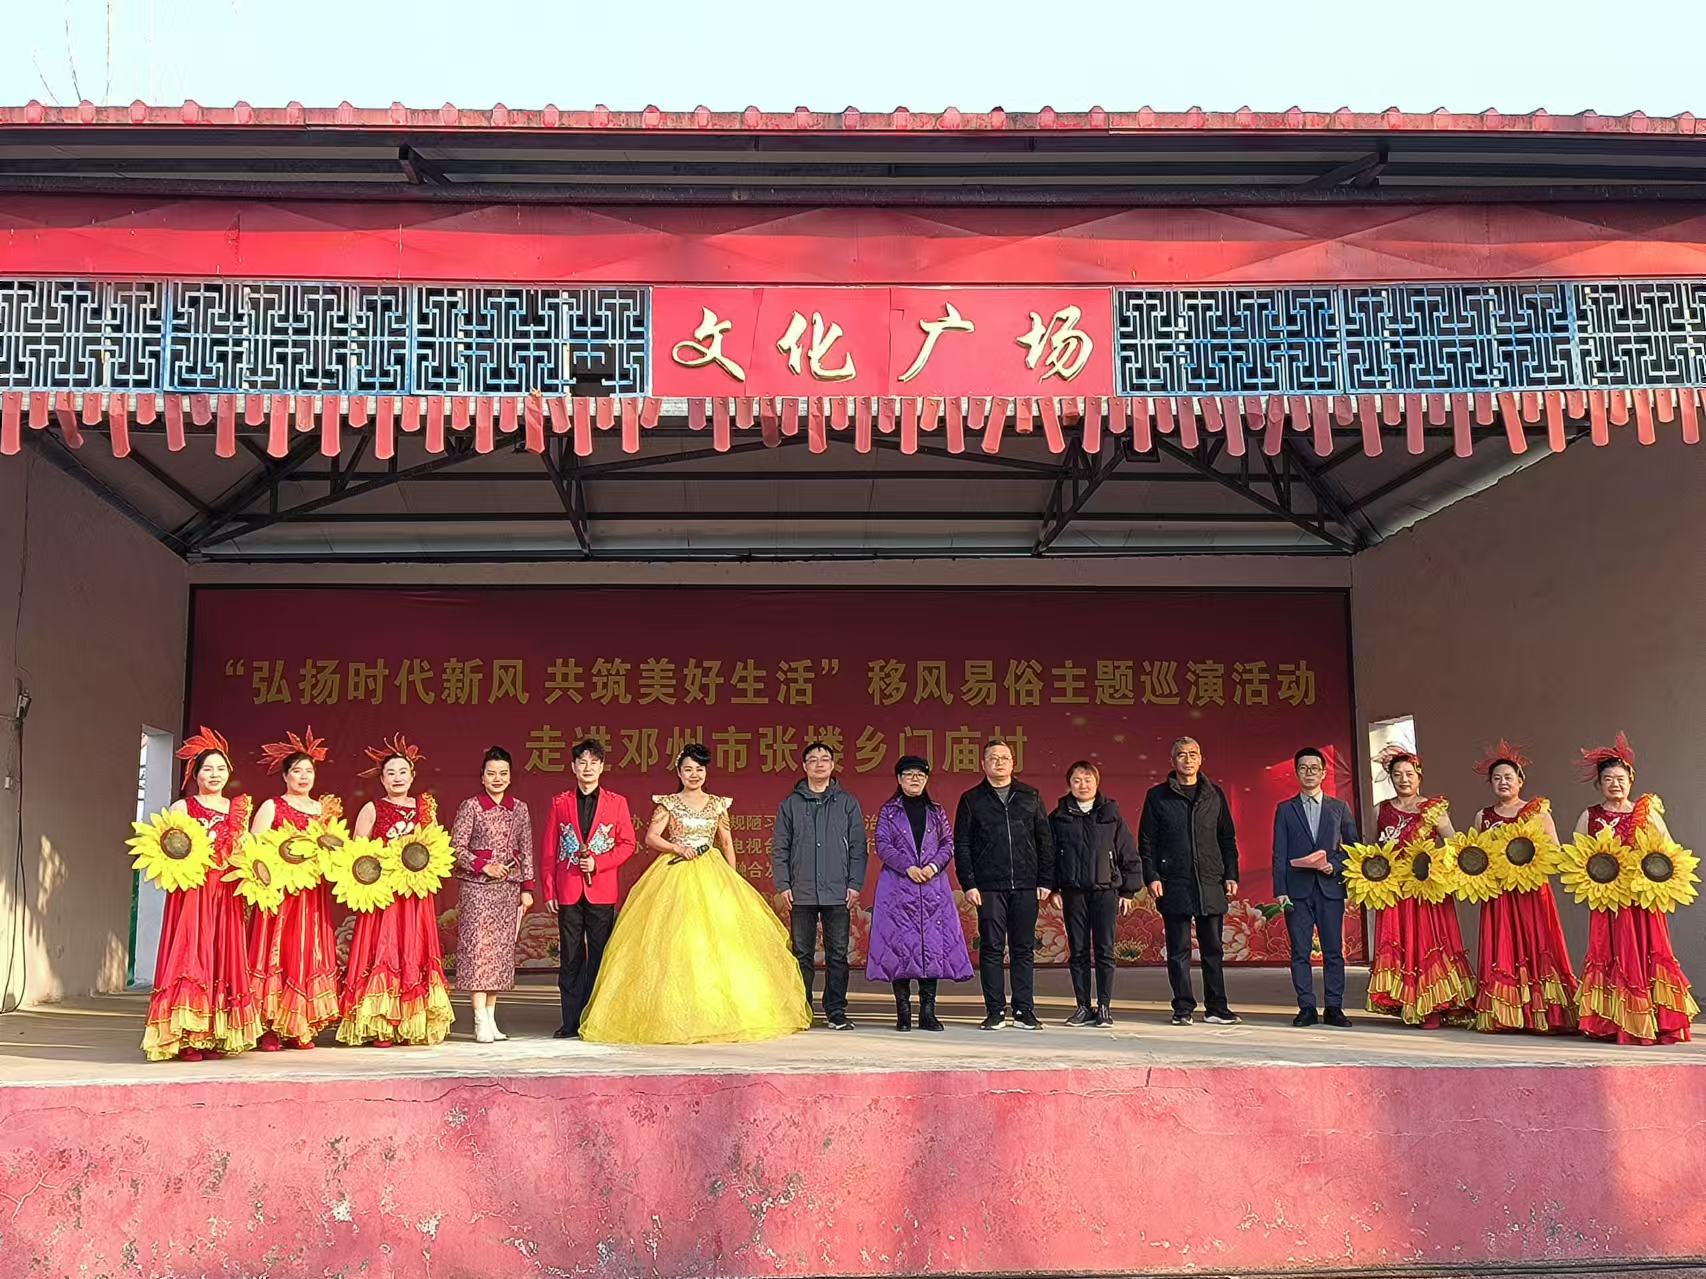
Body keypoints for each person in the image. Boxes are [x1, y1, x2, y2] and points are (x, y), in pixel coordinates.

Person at [579, 744, 810, 1044]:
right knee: (675, 942)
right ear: (679, 772)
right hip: (674, 875)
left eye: (699, 769)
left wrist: (732, 880)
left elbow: (727, 843)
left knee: (722, 944)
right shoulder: (668, 804)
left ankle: (722, 1012)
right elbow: (651, 838)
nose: (694, 774)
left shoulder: (718, 805)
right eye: (688, 769)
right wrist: (677, 847)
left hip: (712, 873)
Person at [141, 728, 262, 1061]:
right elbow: (166, 849)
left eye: (221, 768)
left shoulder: (237, 809)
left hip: (226, 893)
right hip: (193, 893)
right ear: (195, 774)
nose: (214, 774)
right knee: (191, 954)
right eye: (207, 768)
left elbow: (246, 851)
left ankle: (215, 1035)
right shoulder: (183, 807)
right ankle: (187, 1037)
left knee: (222, 955)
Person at [1573, 734, 1697, 1045]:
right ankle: (1608, 1022)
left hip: (1643, 899)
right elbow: (1575, 857)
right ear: (1599, 784)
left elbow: (1667, 850)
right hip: (1608, 901)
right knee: (1609, 953)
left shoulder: (1646, 812)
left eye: (1620, 779)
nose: (1614, 784)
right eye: (1608, 779)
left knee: (1648, 951)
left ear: (1631, 781)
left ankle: (1655, 1020)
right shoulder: (1590, 816)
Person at [337, 735, 453, 1048]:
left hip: (415, 896)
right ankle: (381, 1025)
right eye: (391, 773)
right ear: (382, 779)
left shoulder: (424, 807)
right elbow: (357, 855)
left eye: (403, 772)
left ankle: (412, 1022)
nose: (397, 778)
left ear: (412, 776)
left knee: (413, 950)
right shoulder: (372, 808)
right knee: (385, 950)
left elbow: (433, 849)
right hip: (384, 896)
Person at [1468, 740, 1577, 1034]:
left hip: (1531, 892)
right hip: (1499, 894)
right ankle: (1505, 1014)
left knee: (1538, 944)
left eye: (1508, 777)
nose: (1503, 782)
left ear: (1520, 781)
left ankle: (1543, 1015)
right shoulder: (1483, 816)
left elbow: (1555, 850)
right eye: (1497, 778)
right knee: (1502, 947)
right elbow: (1476, 855)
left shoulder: (1537, 811)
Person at [1365, 744, 1476, 1028]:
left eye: (1409, 774)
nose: (1404, 779)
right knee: (1401, 942)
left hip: (1427, 890)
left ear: (1419, 776)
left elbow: (1454, 844)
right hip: (1395, 890)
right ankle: (1407, 1002)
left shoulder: (1434, 809)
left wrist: (1438, 865)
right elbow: (1372, 848)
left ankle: (1433, 1006)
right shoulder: (1381, 810)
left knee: (1428, 943)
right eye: (1397, 774)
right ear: (1391, 778)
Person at [247, 728, 342, 1051]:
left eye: (308, 771)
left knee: (306, 952)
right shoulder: (272, 807)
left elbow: (335, 850)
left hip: (311, 895)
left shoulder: (323, 811)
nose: (303, 777)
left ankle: (300, 1026)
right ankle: (269, 1027)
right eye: (297, 771)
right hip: (279, 895)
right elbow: (254, 850)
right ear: (285, 776)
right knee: (277, 951)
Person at [953, 739, 1055, 1031]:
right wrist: (969, 883)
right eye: (993, 758)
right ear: (983, 764)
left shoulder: (1030, 796)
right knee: (992, 948)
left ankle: (1024, 1010)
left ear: (1013, 763)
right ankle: (995, 1010)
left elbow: (1045, 840)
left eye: (1004, 758)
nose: (999, 762)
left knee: (1023, 948)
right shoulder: (971, 799)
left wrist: (1045, 880)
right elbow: (962, 844)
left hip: (1025, 884)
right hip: (988, 886)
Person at [1139, 736, 1242, 1026]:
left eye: (1193, 754)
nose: (1188, 759)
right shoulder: (1158, 796)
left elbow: (1227, 838)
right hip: (1174, 882)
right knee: (1178, 950)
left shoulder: (1214, 795)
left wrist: (1231, 874)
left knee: (1213, 950)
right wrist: (1152, 876)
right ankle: (1183, 1007)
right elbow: (1147, 842)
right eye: (1182, 755)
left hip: (1210, 881)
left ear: (1201, 759)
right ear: (1172, 761)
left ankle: (1216, 1007)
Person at [865, 756, 973, 1031]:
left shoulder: (936, 811)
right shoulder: (889, 811)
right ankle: (903, 1013)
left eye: (920, 775)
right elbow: (883, 845)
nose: (915, 779)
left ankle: (928, 1012)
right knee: (899, 948)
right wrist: (908, 867)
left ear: (926, 780)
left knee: (930, 946)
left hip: (932, 886)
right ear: (899, 779)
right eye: (908, 774)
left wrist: (933, 866)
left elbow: (948, 844)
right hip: (898, 887)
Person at [540, 738, 636, 1039]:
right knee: (570, 958)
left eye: (594, 762)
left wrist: (599, 863)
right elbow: (549, 848)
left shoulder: (617, 803)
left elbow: (628, 844)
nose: (588, 768)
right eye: (582, 762)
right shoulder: (560, 802)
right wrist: (549, 890)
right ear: (573, 767)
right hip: (568, 889)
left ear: (602, 767)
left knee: (600, 956)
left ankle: (596, 1019)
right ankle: (570, 1021)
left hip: (602, 891)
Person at [772, 741, 868, 1030]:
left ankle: (836, 1011)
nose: (819, 764)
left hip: (838, 891)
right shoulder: (790, 804)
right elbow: (780, 848)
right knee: (802, 954)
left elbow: (858, 847)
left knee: (837, 954)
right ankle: (802, 1010)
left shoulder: (847, 803)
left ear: (833, 765)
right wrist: (783, 884)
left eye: (824, 759)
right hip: (800, 890)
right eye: (812, 760)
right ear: (804, 767)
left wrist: (855, 884)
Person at [449, 746, 535, 1044]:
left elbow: (527, 849)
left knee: (499, 954)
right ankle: (478, 1018)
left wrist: (527, 888)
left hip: (508, 888)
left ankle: (491, 1016)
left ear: (510, 777)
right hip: (477, 889)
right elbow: (456, 848)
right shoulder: (471, 806)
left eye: (503, 773)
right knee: (478, 951)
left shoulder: (519, 808)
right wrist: (483, 865)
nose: (497, 778)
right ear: (482, 777)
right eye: (491, 773)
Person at [1047, 761, 1141, 1027]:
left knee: (1104, 950)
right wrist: (1053, 888)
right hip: (1073, 893)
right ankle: (1082, 1006)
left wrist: (1128, 891)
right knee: (1078, 951)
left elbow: (1128, 853)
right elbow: (1049, 856)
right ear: (1069, 784)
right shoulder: (1058, 817)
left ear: (1097, 783)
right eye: (1077, 780)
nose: (1083, 785)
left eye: (1088, 779)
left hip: (1105, 891)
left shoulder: (1110, 814)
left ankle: (1104, 1007)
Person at [1272, 747, 1359, 1028]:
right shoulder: (1286, 809)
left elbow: (1355, 849)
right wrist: (1280, 890)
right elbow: (1279, 852)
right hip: (1296, 891)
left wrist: (1335, 864)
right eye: (1303, 768)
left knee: (1333, 952)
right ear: (1296, 773)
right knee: (1300, 952)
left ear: (1323, 773)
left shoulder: (1339, 808)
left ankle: (1334, 1007)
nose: (1309, 773)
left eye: (1314, 768)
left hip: (1330, 889)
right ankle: (1306, 1007)